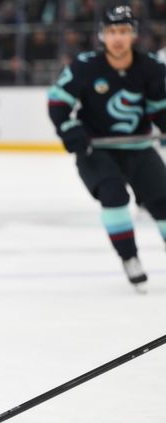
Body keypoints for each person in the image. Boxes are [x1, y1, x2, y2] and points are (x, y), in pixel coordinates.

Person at [48, 5, 166, 292]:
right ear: (102, 35)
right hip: (96, 151)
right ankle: (130, 258)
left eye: (124, 31)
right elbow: (57, 103)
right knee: (113, 195)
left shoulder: (150, 67)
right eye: (112, 31)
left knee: (163, 203)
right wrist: (69, 129)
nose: (117, 38)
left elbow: (158, 109)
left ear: (133, 35)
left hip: (138, 147)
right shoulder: (85, 67)